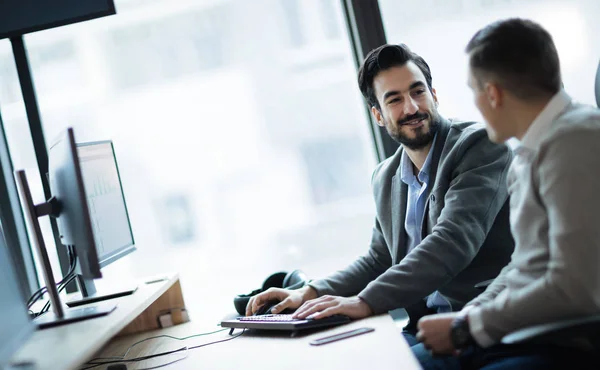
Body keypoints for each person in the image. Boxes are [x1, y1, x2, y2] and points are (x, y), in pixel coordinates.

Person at [246, 43, 514, 346]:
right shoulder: (385, 177)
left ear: (434, 95)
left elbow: (452, 242)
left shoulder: (479, 145)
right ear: (378, 115)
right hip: (421, 330)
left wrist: (365, 301)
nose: (411, 108)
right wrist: (309, 292)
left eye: (417, 92)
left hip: (478, 325)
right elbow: (379, 258)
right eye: (394, 99)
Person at [415, 18, 600, 369]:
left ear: (494, 94)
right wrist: (470, 316)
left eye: (474, 91)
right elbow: (524, 265)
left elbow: (577, 286)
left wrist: (468, 328)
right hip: (532, 330)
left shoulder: (575, 142)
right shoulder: (532, 153)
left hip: (572, 340)